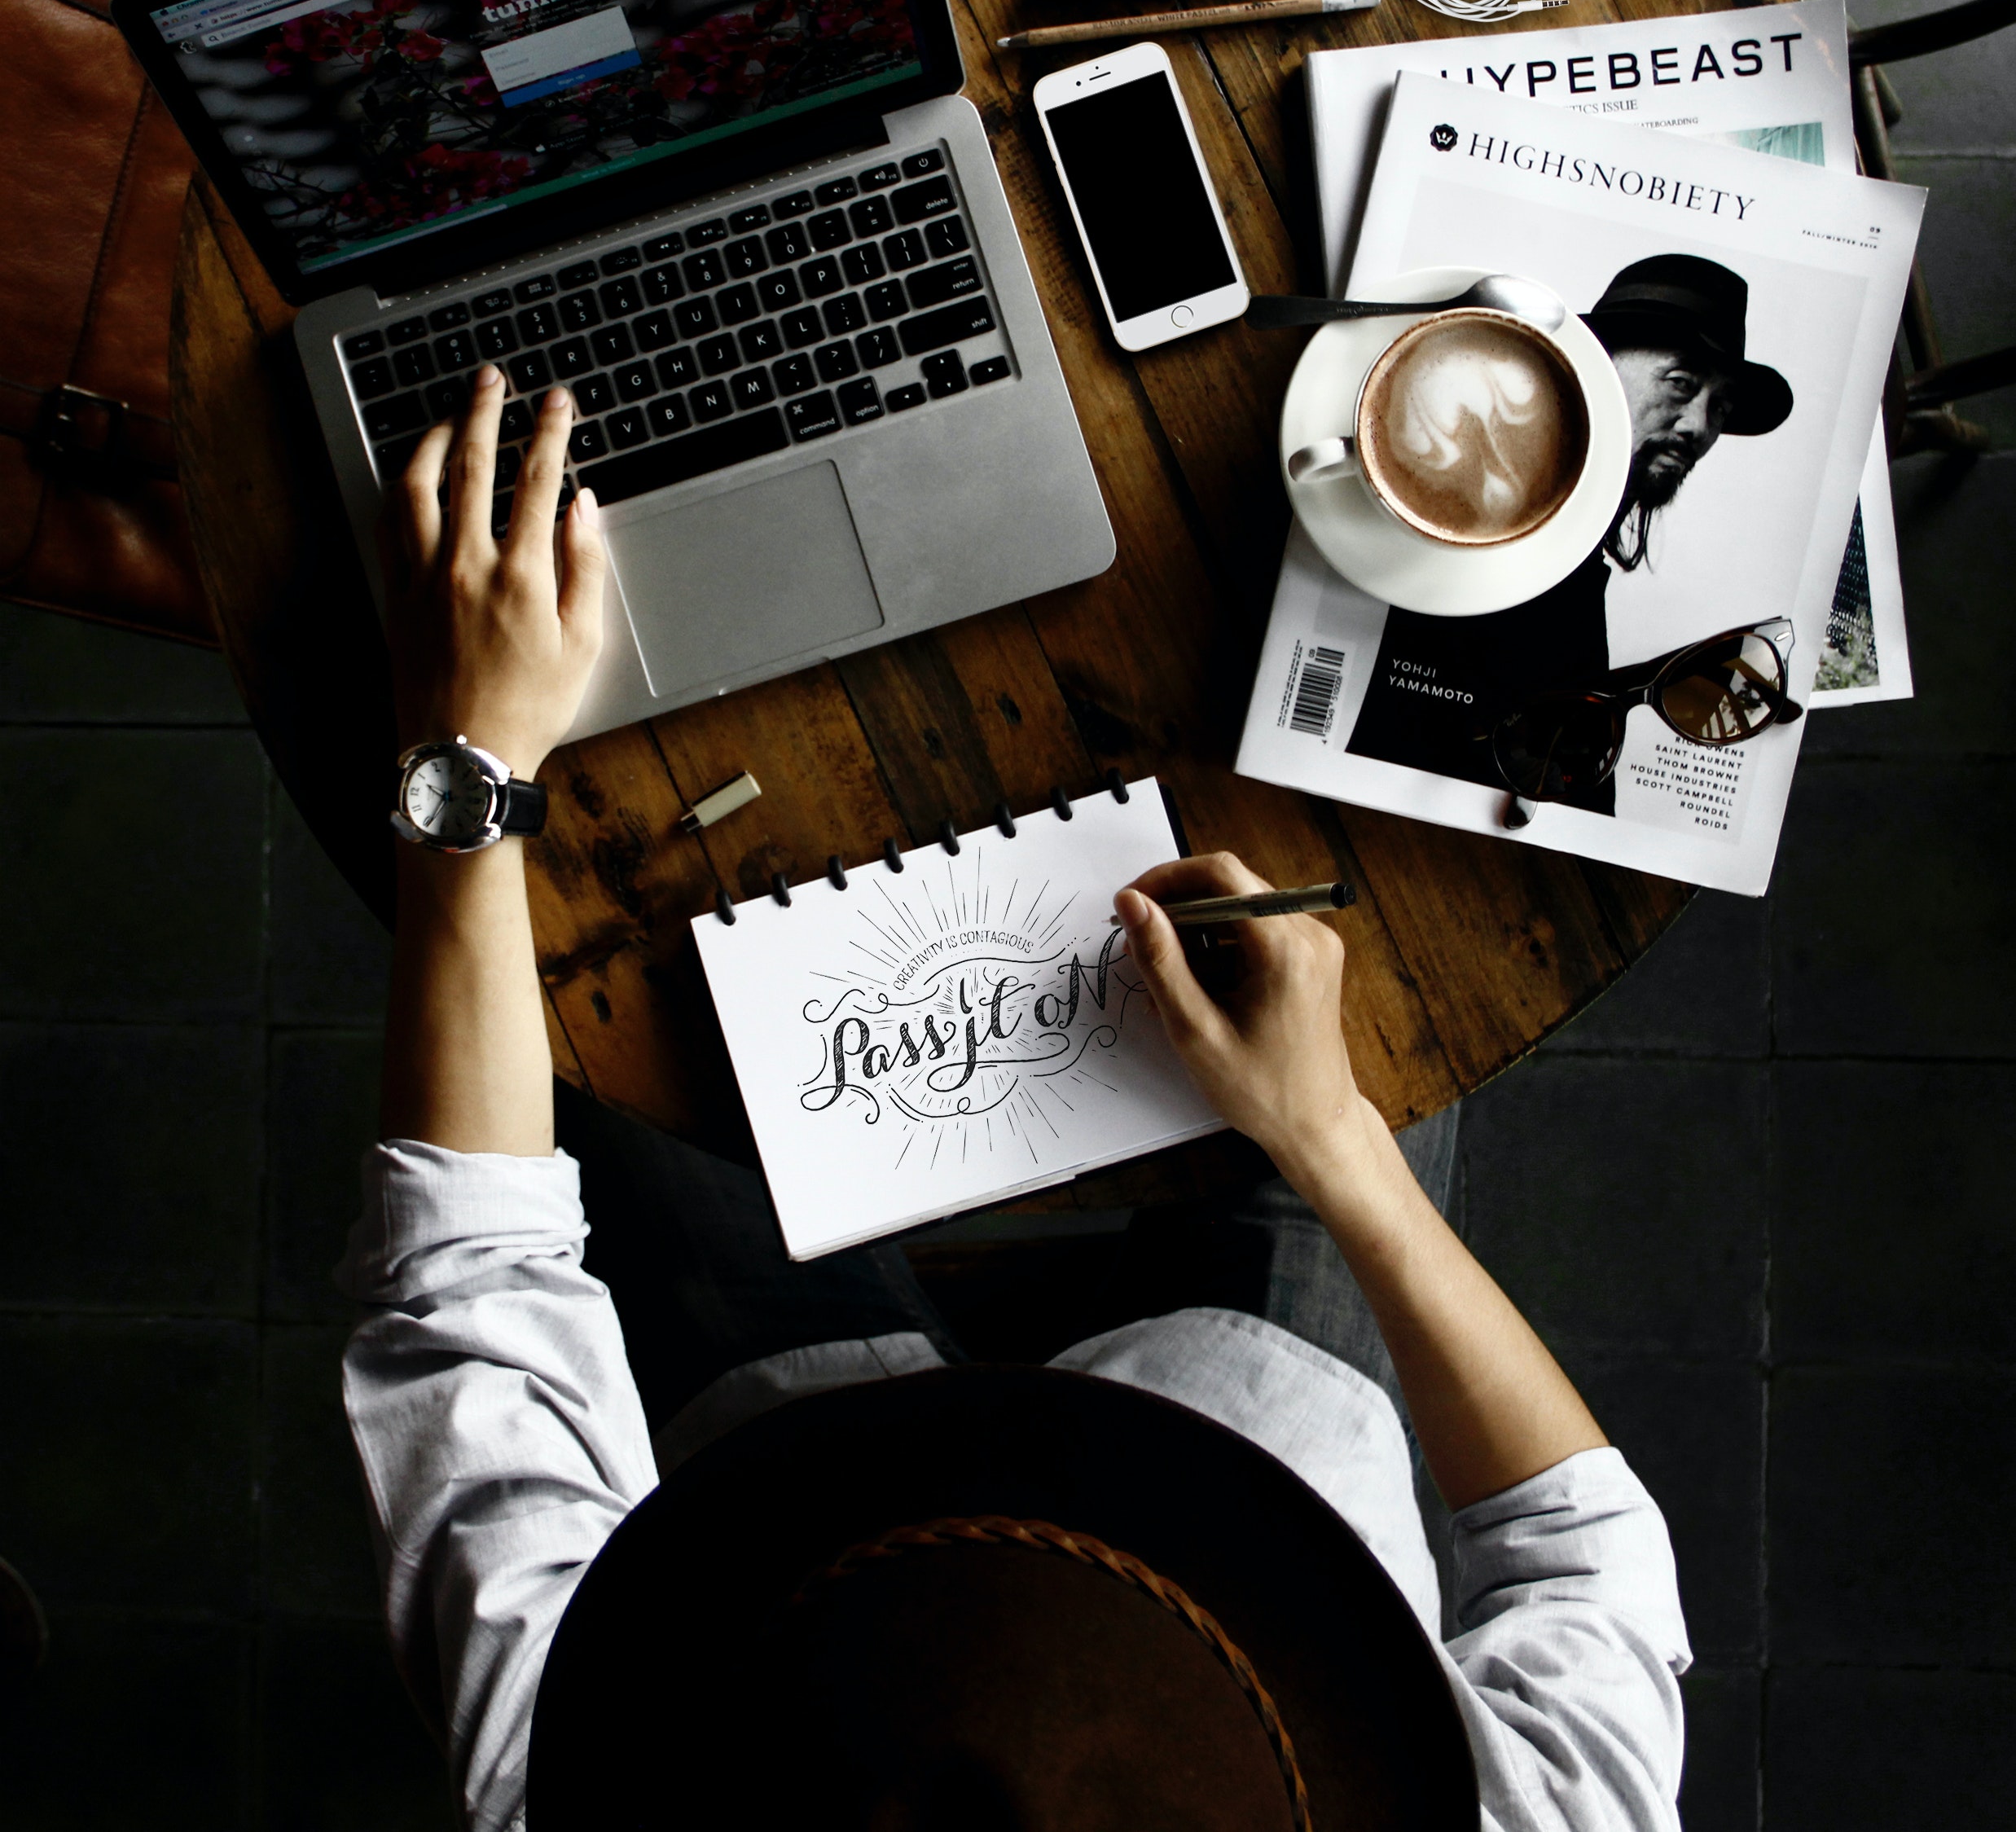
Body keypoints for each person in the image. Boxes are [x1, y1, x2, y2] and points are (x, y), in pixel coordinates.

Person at [340, 365, 1691, 1830]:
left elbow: (469, 1284)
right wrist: (1329, 1137)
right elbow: (1579, 1550)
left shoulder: (580, 1779)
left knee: (610, 994)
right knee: (1378, 875)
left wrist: (468, 771)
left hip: (782, 1451)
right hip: (1267, 1413)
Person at [1343, 253, 1794, 812]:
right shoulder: (1486, 526)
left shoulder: (1578, 566)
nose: (1700, 426)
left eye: (1721, 405)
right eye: (1680, 384)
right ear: (1596, 365)